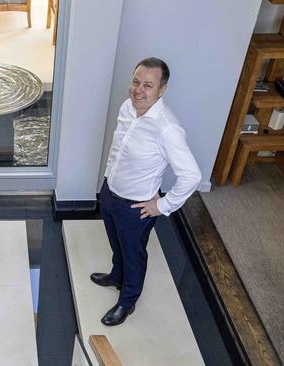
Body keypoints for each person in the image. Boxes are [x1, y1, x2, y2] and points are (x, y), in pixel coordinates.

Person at [92, 57, 201, 326]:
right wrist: (108, 180)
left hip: (136, 207)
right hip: (110, 193)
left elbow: (192, 175)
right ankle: (117, 276)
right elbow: (119, 149)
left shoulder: (167, 128)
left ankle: (127, 301)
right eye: (136, 82)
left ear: (161, 90)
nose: (138, 90)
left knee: (134, 253)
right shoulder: (127, 108)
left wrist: (161, 206)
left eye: (148, 85)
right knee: (116, 244)